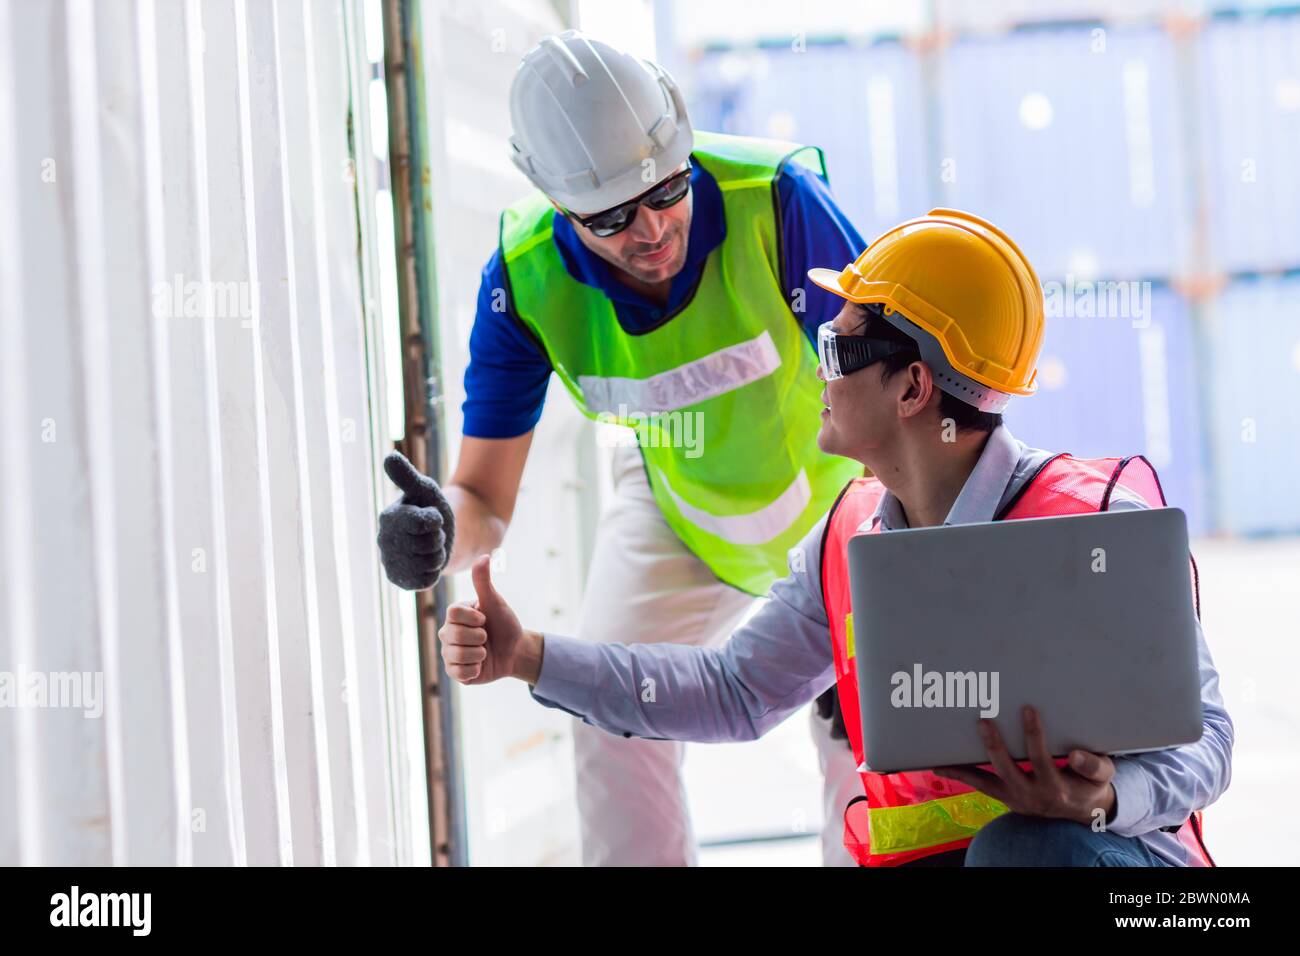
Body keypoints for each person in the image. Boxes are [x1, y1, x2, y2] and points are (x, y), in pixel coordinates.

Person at [435, 208, 1234, 866]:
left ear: (914, 387)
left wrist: (1103, 800)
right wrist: (531, 656)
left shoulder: (1096, 524)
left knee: (1028, 854)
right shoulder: (844, 539)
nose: (817, 372)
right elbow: (733, 692)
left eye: (834, 348)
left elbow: (1211, 741)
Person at [375, 30, 870, 865]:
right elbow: (484, 500)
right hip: (683, 512)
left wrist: (870, 605)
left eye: (667, 189)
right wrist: (438, 535)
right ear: (556, 203)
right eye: (609, 216)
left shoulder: (779, 202)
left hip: (837, 508)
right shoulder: (524, 281)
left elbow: (895, 405)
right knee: (608, 718)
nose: (650, 229)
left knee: (865, 731)